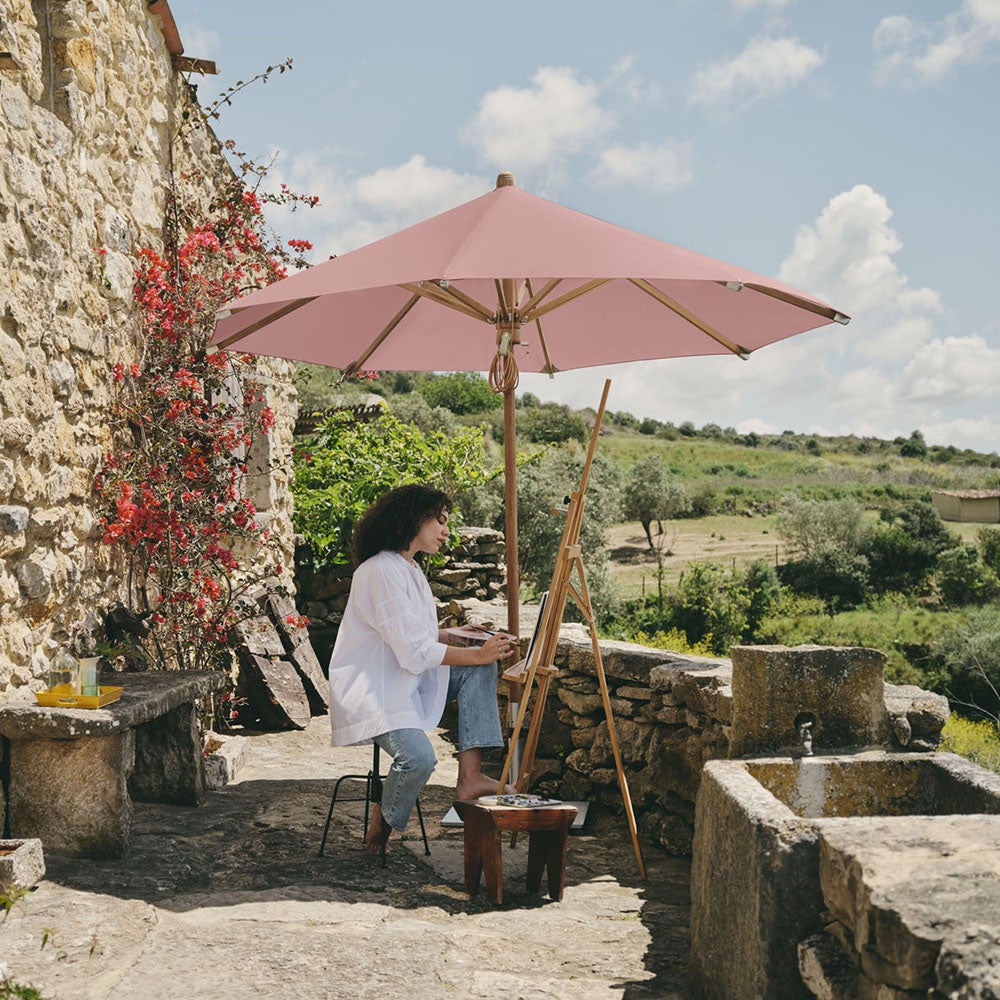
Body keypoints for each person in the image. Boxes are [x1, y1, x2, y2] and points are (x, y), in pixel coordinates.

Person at [327, 483, 515, 856]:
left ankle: (470, 778)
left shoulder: (409, 569)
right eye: (440, 521)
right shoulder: (381, 570)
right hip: (376, 690)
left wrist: (454, 634)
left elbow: (411, 634)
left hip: (405, 678)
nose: (446, 531)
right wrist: (478, 654)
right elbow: (412, 650)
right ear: (415, 520)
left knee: (480, 671)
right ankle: (383, 824)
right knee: (419, 759)